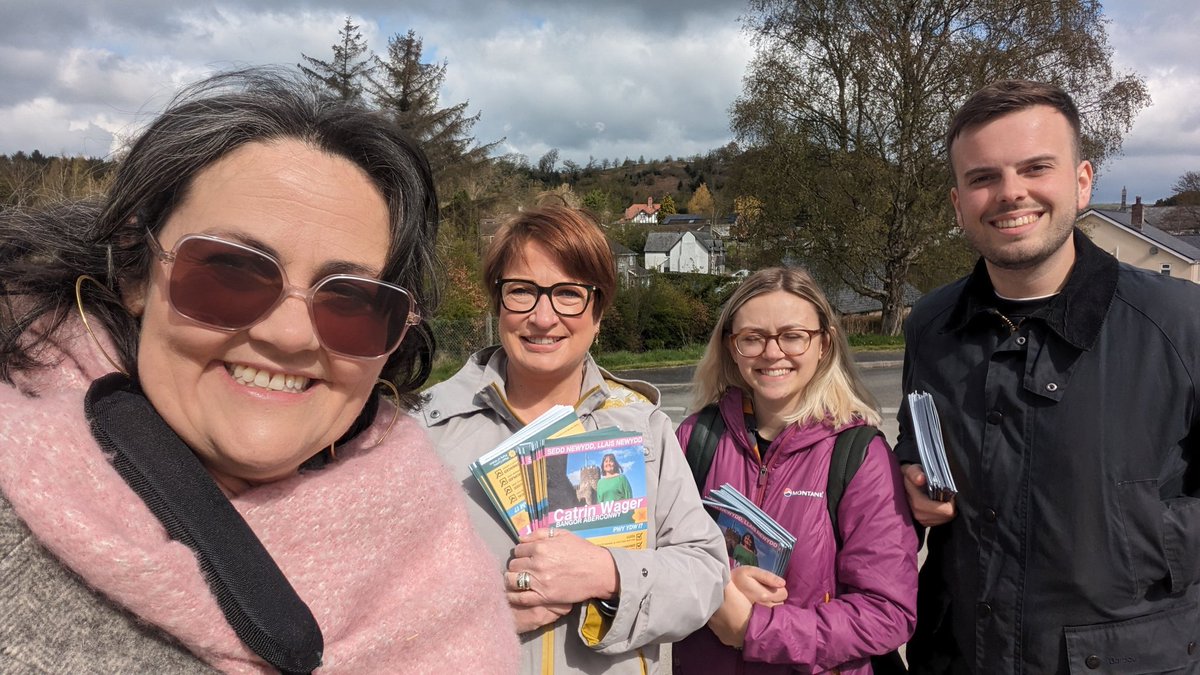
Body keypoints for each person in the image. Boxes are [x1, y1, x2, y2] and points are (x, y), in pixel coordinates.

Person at [0, 69, 518, 673]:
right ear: (136, 273)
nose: (290, 336)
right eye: (231, 272)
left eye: (351, 300)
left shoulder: (436, 551)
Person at [897, 79, 1200, 674]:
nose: (1011, 193)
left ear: (1083, 182)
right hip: (959, 656)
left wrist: (1141, 533)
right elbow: (920, 443)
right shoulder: (931, 326)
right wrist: (911, 477)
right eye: (983, 177)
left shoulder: (1181, 324)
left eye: (1036, 168)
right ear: (958, 202)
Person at [416, 205, 727, 674]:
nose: (543, 318)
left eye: (568, 294)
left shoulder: (644, 429)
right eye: (521, 291)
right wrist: (474, 615)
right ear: (497, 304)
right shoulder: (423, 431)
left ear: (597, 312)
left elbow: (705, 574)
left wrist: (608, 574)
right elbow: (370, 599)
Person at [674, 267, 918, 674]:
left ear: (823, 344)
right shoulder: (695, 438)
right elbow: (653, 563)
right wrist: (716, 588)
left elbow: (887, 612)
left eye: (793, 336)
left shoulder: (858, 454)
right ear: (731, 347)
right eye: (753, 338)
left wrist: (755, 628)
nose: (773, 353)